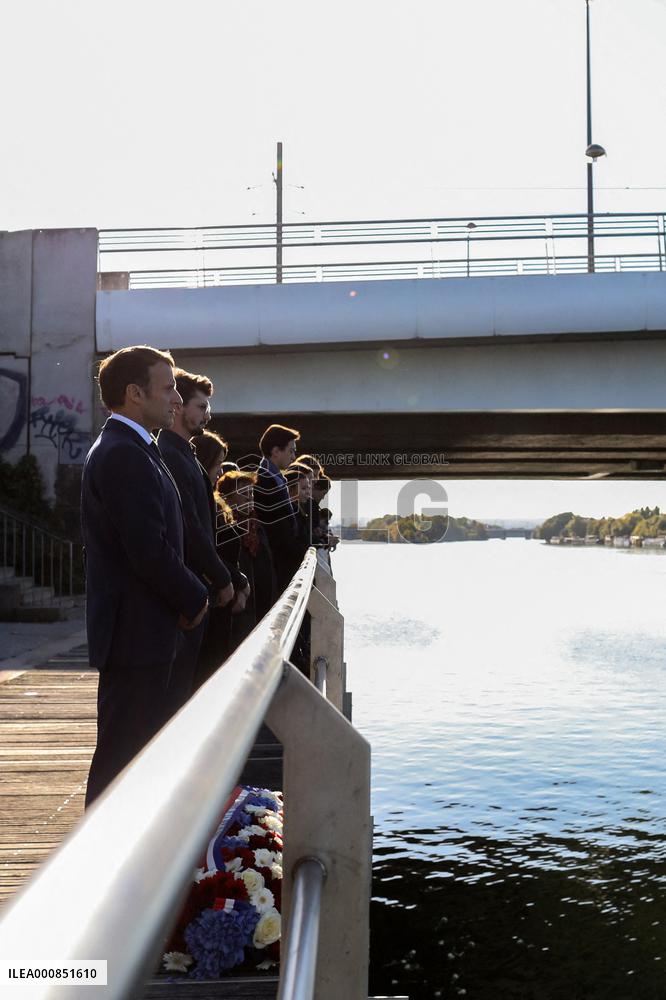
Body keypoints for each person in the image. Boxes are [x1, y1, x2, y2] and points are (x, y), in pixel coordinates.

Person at [81, 345, 209, 807]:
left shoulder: (136, 448)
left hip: (146, 633)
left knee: (135, 757)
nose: (176, 397)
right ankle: (97, 865)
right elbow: (148, 550)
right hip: (136, 636)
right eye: (169, 386)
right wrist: (196, 597)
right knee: (120, 761)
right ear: (135, 394)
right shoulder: (123, 454)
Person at [254, 423, 302, 596]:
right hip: (277, 566)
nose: (294, 456)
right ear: (275, 451)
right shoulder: (264, 480)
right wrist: (299, 550)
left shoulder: (275, 478)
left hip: (281, 563)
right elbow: (277, 529)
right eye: (291, 450)